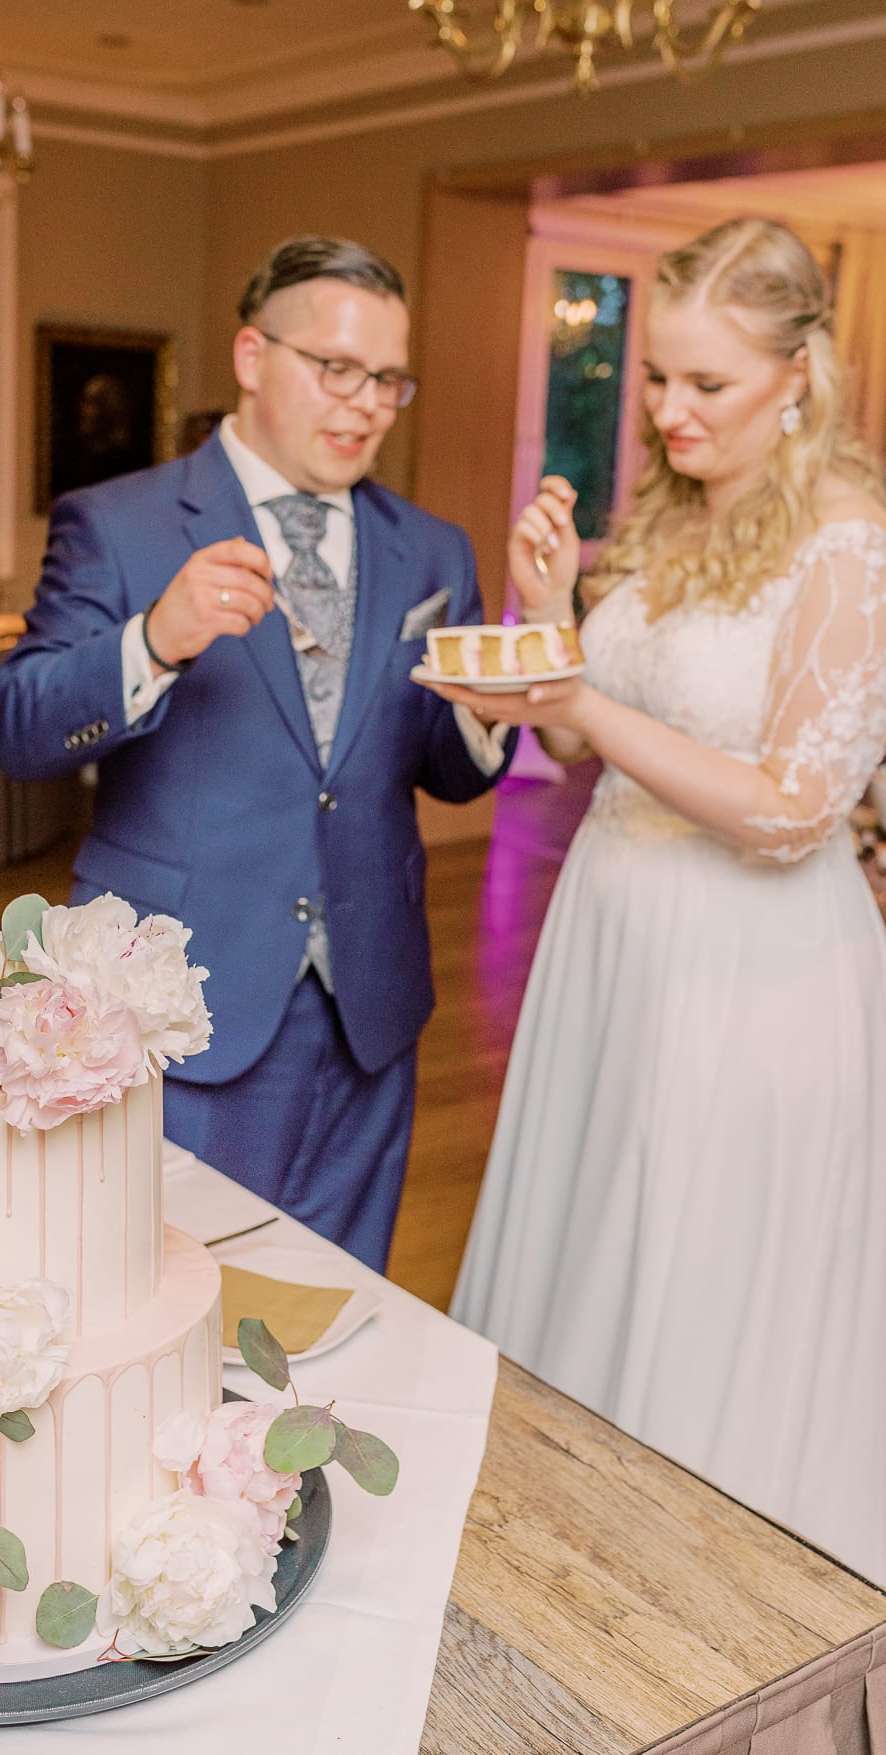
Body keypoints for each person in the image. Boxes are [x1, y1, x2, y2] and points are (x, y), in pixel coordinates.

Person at [421, 217, 886, 1582]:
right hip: (610, 933)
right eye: (657, 382)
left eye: (707, 385)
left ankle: (677, 1576)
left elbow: (795, 806)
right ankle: (554, 1537)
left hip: (745, 963)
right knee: (597, 1219)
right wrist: (550, 611)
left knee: (695, 1257)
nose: (670, 413)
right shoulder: (683, 520)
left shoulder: (848, 546)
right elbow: (582, 742)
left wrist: (573, 699)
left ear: (797, 375)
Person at [0, 235, 517, 1272]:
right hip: (185, 997)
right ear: (250, 355)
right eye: (336, 369)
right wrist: (153, 641)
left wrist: (490, 715)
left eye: (389, 380)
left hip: (371, 1001)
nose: (365, 403)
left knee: (340, 1299)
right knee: (164, 1295)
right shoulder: (119, 522)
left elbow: (444, 771)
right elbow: (18, 728)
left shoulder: (434, 548)